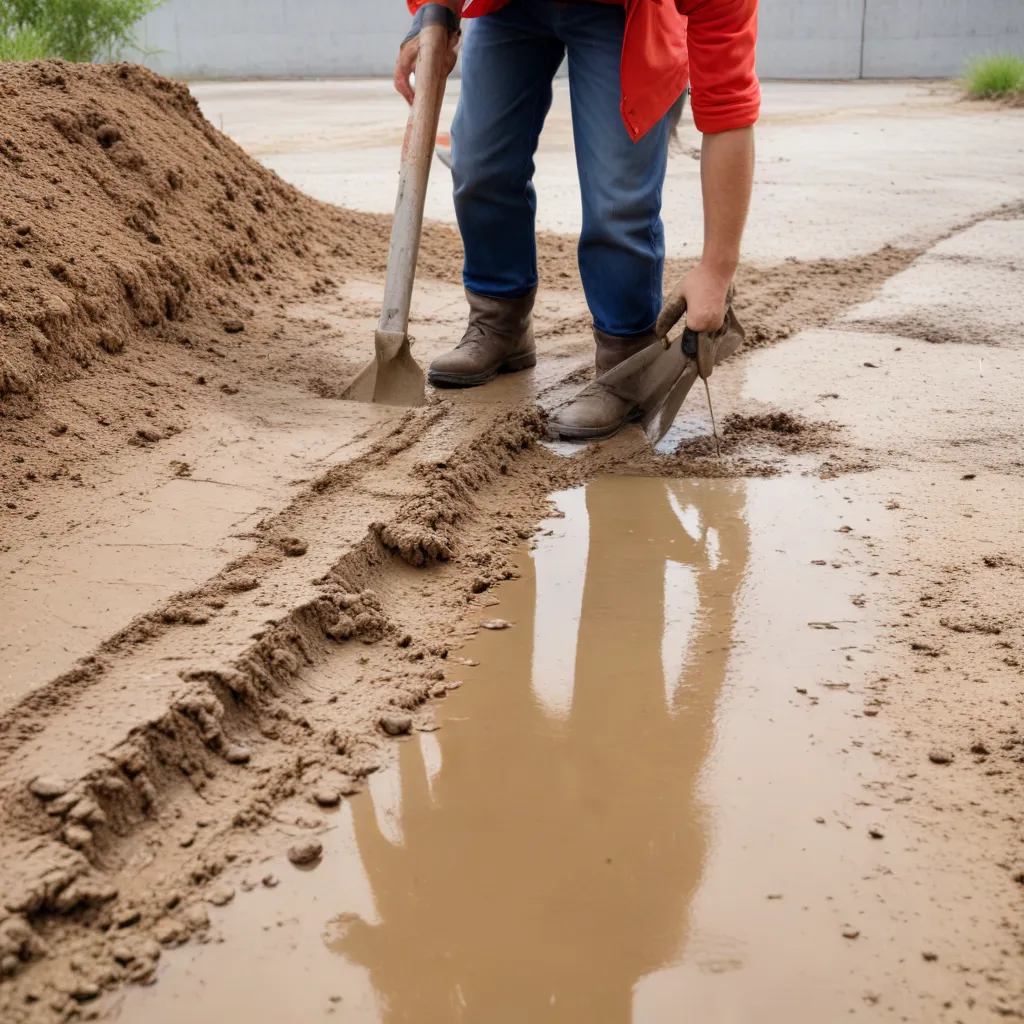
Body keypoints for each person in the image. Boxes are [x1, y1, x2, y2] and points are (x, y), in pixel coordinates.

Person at [396, 0, 758, 440]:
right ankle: (499, 323)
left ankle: (626, 363)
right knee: (479, 167)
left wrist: (717, 269)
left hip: (620, 15)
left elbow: (728, 102)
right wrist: (434, 12)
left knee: (616, 203)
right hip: (509, 8)